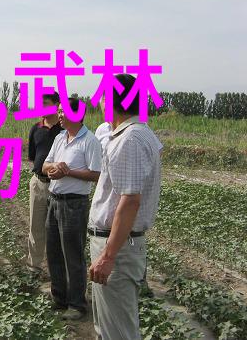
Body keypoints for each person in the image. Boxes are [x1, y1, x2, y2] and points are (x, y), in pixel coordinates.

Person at [88, 74, 163, 340]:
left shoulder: (129, 139)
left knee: (118, 332)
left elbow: (130, 200)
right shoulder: (137, 134)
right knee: (110, 327)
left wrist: (108, 256)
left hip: (117, 247)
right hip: (118, 244)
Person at [42, 97, 102, 321]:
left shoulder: (90, 141)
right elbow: (44, 165)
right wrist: (54, 167)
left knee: (73, 255)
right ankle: (59, 298)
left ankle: (77, 304)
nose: (59, 115)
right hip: (54, 200)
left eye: (63, 111)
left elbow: (96, 174)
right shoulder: (60, 138)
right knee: (54, 252)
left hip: (74, 204)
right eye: (59, 111)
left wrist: (68, 171)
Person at [26, 92, 63, 274]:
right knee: (36, 227)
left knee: (58, 229)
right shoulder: (36, 128)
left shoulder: (64, 129)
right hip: (38, 183)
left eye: (45, 103)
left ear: (57, 105)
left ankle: (58, 270)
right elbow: (33, 156)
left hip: (60, 185)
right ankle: (34, 267)